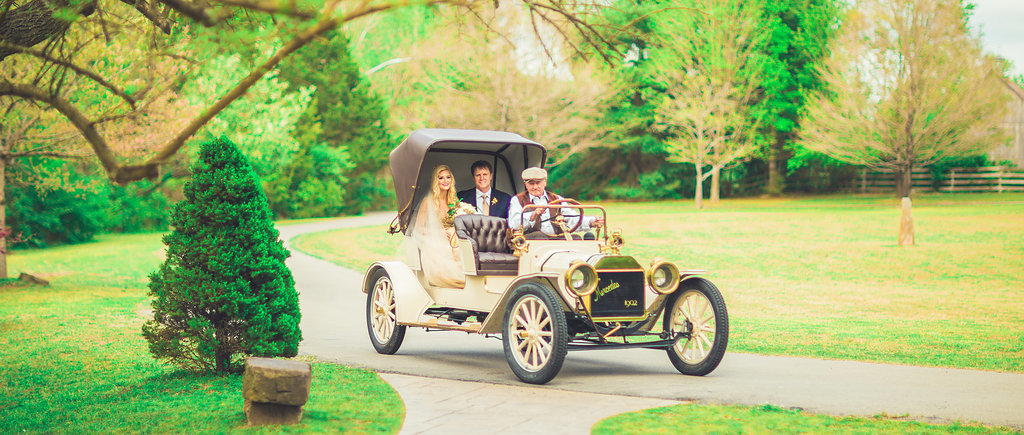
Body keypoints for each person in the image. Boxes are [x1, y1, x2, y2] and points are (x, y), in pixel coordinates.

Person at [411, 165, 476, 288]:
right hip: (434, 242)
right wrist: (438, 232)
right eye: (441, 178)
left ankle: (471, 274)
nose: (445, 181)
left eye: (448, 177)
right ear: (436, 181)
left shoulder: (454, 201)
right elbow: (418, 229)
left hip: (453, 240)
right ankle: (458, 278)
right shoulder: (427, 201)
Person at [507, 167, 603, 239]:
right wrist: (533, 215)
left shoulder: (556, 199)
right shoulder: (517, 200)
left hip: (555, 238)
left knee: (576, 238)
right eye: (531, 183)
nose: (535, 187)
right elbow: (513, 224)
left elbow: (572, 219)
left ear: (545, 182)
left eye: (538, 183)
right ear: (526, 184)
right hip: (531, 241)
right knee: (540, 236)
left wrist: (592, 221)